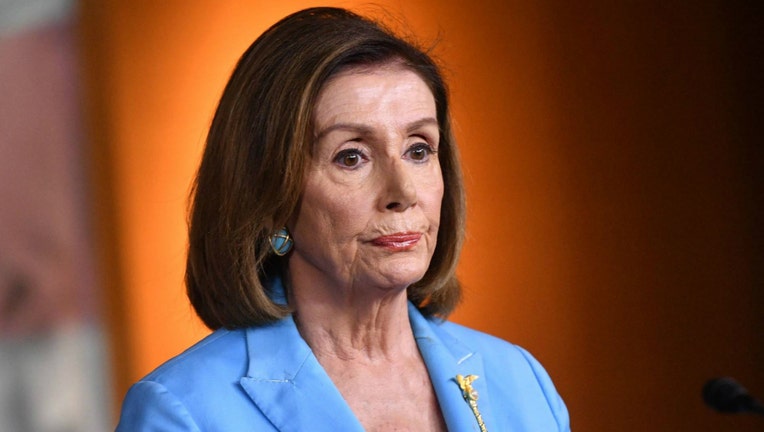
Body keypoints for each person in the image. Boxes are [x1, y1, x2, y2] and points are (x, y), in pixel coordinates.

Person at [116, 7, 569, 431]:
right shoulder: (183, 412)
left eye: (418, 149)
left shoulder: (521, 380)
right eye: (351, 157)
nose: (403, 193)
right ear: (270, 193)